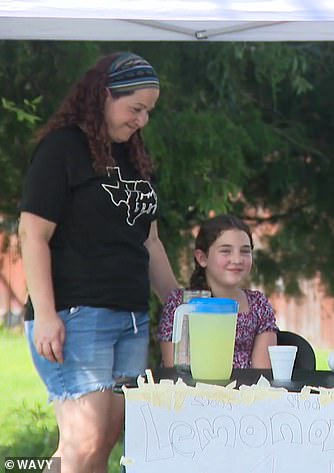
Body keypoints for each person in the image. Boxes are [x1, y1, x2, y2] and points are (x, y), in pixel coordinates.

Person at [19, 52, 179, 473]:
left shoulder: (136, 156)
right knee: (85, 439)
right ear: (105, 95)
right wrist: (47, 314)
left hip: (130, 317)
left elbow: (150, 240)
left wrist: (178, 302)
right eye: (136, 108)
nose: (142, 120)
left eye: (148, 112)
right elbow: (32, 234)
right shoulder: (63, 148)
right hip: (76, 314)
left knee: (103, 439)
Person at [158, 214, 278, 368]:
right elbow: (175, 372)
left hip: (246, 390)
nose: (237, 259)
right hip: (192, 390)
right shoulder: (180, 305)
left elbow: (263, 375)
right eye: (226, 251)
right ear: (202, 258)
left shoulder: (258, 305)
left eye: (245, 251)